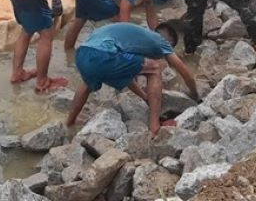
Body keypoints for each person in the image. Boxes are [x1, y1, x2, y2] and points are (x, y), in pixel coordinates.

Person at [67, 22, 199, 135]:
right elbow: (185, 72)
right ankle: (154, 127)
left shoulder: (135, 37)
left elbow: (125, 73)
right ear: (169, 42)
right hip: (103, 55)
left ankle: (70, 121)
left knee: (87, 83)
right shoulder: (161, 42)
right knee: (155, 68)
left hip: (82, 54)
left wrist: (145, 97)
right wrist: (195, 95)